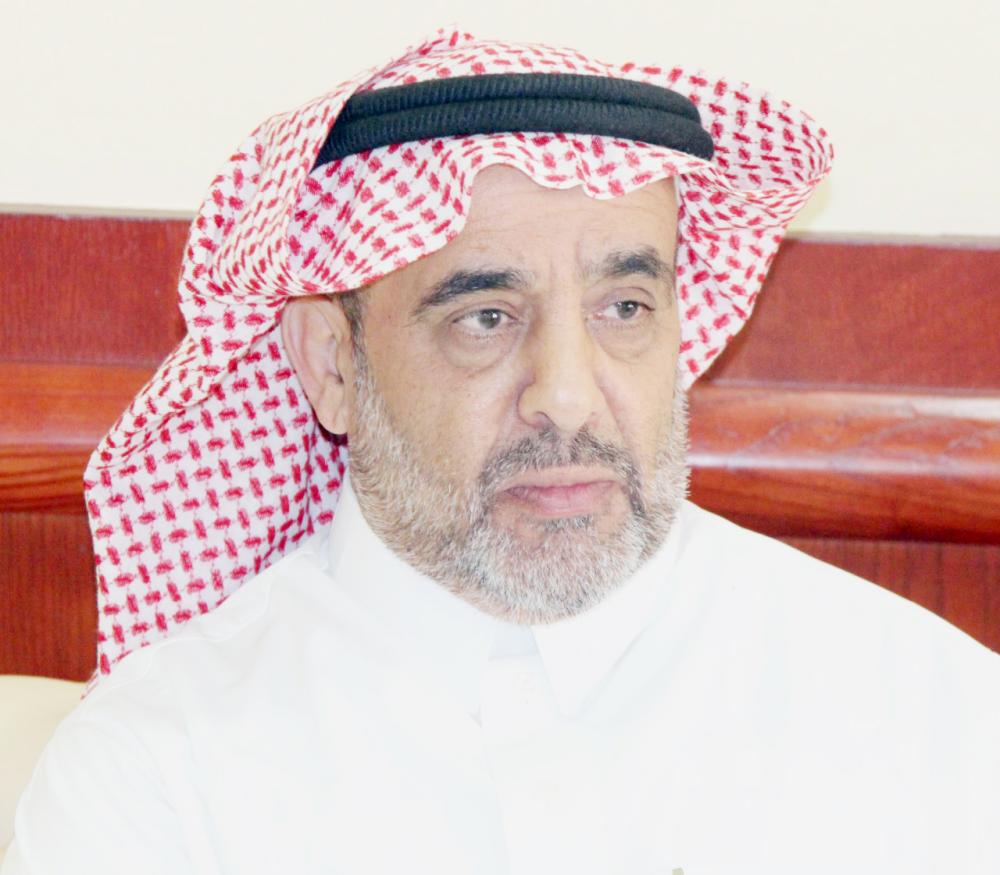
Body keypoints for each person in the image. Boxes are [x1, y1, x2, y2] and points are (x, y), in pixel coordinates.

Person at [5, 28, 999, 875]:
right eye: (484, 316)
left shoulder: (927, 712)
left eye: (624, 308)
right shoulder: (161, 773)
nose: (566, 394)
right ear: (332, 362)